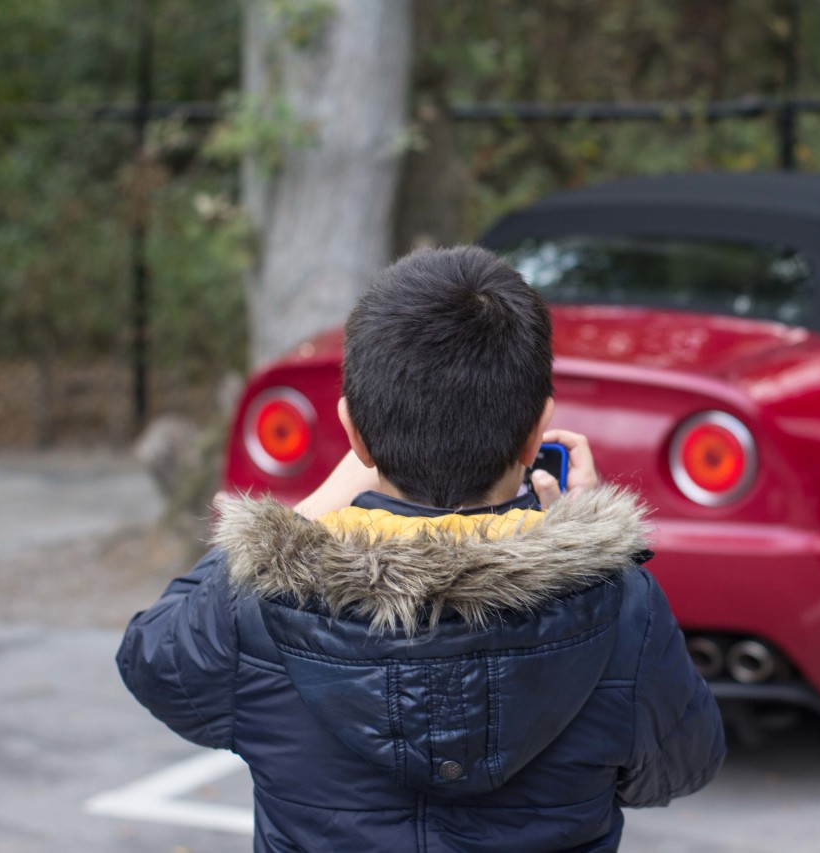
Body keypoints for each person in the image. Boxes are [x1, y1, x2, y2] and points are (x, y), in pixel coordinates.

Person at [116, 246, 725, 852]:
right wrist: (589, 543)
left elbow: (152, 659)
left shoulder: (258, 608)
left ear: (354, 432)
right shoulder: (620, 606)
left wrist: (310, 512)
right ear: (539, 430)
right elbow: (682, 764)